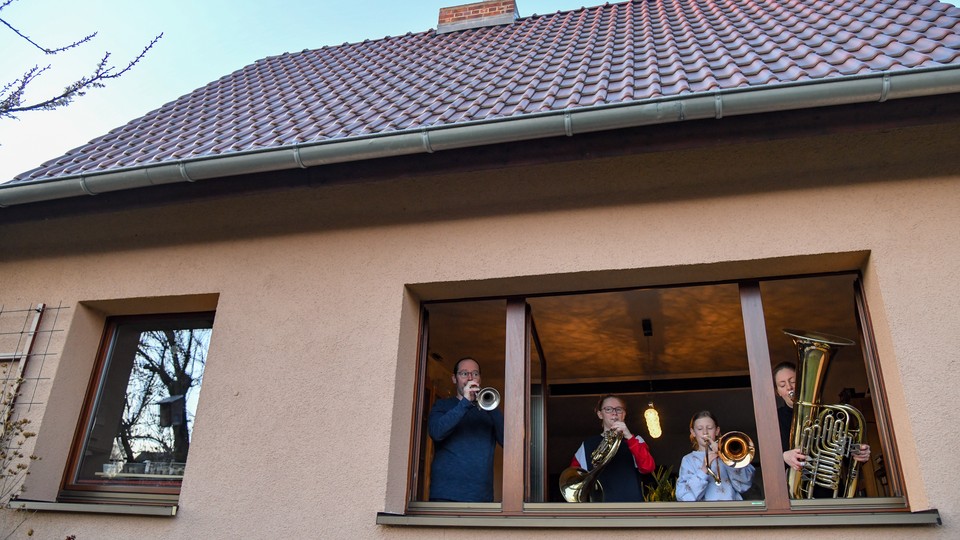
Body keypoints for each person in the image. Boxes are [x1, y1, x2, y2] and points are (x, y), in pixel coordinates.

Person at [427, 357, 504, 502]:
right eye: (464, 373)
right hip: (445, 495)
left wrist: (492, 407)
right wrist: (465, 403)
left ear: (480, 378)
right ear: (454, 379)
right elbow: (436, 432)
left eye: (475, 374)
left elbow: (508, 442)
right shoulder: (442, 405)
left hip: (481, 496)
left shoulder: (488, 409)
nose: (470, 378)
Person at [773, 361, 870, 473]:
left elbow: (844, 448)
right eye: (782, 385)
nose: (789, 387)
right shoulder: (775, 419)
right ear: (778, 392)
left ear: (802, 383)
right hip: (793, 486)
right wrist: (784, 457)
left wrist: (858, 451)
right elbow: (768, 459)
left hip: (830, 486)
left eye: (793, 381)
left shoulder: (828, 414)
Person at [569, 394, 655, 502]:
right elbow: (574, 478)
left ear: (624, 414)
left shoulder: (636, 439)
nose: (614, 413)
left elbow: (648, 467)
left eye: (618, 409)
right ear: (600, 414)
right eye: (608, 409)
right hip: (600, 507)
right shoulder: (587, 445)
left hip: (631, 507)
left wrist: (628, 436)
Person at [676, 410, 755, 502]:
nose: (705, 432)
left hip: (731, 512)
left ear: (717, 431)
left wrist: (725, 456)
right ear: (693, 432)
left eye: (709, 428)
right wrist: (703, 470)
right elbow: (683, 497)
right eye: (700, 429)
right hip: (704, 514)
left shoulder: (730, 455)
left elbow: (744, 485)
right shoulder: (688, 460)